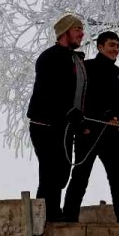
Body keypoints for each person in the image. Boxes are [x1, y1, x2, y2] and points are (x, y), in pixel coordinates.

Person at [61, 31, 119, 223]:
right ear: (100, 46)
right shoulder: (86, 68)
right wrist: (87, 125)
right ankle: (69, 218)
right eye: (112, 45)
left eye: (118, 46)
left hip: (113, 136)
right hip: (88, 133)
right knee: (80, 177)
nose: (115, 49)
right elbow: (81, 100)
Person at [27, 13, 88, 223]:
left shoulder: (74, 59)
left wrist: (80, 120)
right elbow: (47, 91)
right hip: (44, 125)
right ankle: (45, 220)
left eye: (82, 30)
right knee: (50, 173)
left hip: (65, 126)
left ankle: (51, 213)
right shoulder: (48, 58)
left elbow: (78, 94)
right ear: (65, 32)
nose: (82, 34)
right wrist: (68, 111)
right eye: (78, 29)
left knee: (62, 173)